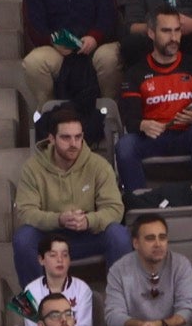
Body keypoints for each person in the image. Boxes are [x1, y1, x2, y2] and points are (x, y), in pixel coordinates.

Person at [11, 109, 130, 284]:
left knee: (119, 235)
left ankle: (119, 301)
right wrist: (59, 219)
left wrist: (89, 221)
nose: (73, 143)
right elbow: (26, 212)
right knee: (23, 238)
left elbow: (115, 208)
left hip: (88, 234)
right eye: (66, 138)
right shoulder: (32, 168)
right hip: (50, 236)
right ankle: (36, 305)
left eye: (78, 137)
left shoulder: (98, 165)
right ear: (51, 139)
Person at [116, 7, 192, 193]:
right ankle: (139, 205)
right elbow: (130, 121)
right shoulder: (135, 73)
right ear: (151, 33)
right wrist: (143, 125)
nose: (173, 37)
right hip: (152, 137)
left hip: (186, 135)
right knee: (125, 145)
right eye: (166, 31)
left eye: (177, 30)